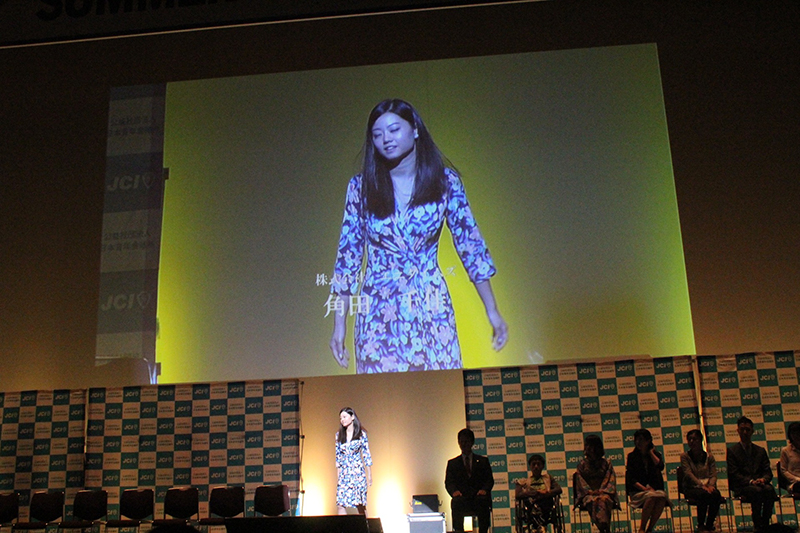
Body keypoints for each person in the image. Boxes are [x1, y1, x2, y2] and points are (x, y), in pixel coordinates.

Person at [329, 98, 508, 373]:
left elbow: (470, 246)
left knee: (440, 390)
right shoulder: (361, 188)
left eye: (394, 130)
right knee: (382, 394)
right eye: (377, 134)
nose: (386, 139)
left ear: (414, 129)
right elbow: (348, 258)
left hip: (431, 306)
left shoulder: (445, 183)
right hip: (379, 315)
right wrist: (339, 324)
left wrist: (492, 310)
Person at [726, 416, 775, 532]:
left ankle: (765, 522)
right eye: (742, 429)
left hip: (760, 484)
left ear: (752, 431)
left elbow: (767, 471)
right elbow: (734, 473)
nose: (745, 432)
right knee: (756, 491)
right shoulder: (732, 451)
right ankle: (757, 523)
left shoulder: (760, 450)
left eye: (747, 430)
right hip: (743, 486)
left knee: (769, 490)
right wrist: (751, 481)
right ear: (738, 431)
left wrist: (763, 479)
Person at [445, 428, 494, 533]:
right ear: (458, 443)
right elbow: (449, 482)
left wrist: (484, 490)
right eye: (462, 442)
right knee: (456, 502)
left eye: (466, 441)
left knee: (483, 501)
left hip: (478, 497)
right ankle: (459, 531)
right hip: (462, 497)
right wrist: (454, 492)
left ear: (472, 442)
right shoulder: (452, 463)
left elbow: (489, 480)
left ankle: (483, 531)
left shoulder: (483, 461)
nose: (464, 444)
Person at [625, 428, 670, 533]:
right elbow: (631, 479)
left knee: (662, 498)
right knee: (651, 497)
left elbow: (660, 466)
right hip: (638, 491)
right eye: (636, 440)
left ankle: (649, 529)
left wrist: (651, 453)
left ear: (648, 441)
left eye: (641, 439)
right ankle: (642, 528)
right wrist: (645, 489)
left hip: (653, 490)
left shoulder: (655, 455)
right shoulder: (632, 457)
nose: (638, 442)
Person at [679, 429, 722, 532]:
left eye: (695, 439)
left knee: (716, 494)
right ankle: (701, 525)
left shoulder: (709, 457)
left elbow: (713, 474)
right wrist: (702, 485)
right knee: (703, 495)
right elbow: (688, 473)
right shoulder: (685, 456)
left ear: (701, 440)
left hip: (707, 486)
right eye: (689, 439)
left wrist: (711, 485)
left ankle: (709, 524)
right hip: (691, 487)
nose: (692, 441)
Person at [574, 435, 616, 533]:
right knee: (592, 500)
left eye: (591, 445)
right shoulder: (582, 464)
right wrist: (590, 491)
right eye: (587, 445)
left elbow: (610, 478)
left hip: (604, 492)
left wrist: (602, 490)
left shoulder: (606, 463)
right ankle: (604, 529)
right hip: (588, 494)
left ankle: (603, 528)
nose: (588, 447)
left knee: (604, 500)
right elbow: (580, 480)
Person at [335, 407, 373, 514]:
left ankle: (365, 524)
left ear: (352, 417)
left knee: (360, 505)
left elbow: (366, 454)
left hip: (357, 472)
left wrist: (369, 474)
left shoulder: (361, 434)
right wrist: (338, 477)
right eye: (341, 418)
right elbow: (338, 457)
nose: (342, 420)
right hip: (344, 473)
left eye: (344, 417)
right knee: (340, 504)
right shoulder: (338, 435)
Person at [514, 454, 562, 532]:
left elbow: (558, 489)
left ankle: (538, 525)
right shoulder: (524, 481)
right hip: (531, 504)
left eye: (538, 464)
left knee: (543, 503)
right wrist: (535, 493)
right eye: (533, 464)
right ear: (530, 466)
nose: (536, 467)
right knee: (530, 502)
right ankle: (540, 525)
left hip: (546, 504)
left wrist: (547, 492)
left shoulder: (548, 478)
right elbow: (518, 495)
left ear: (542, 466)